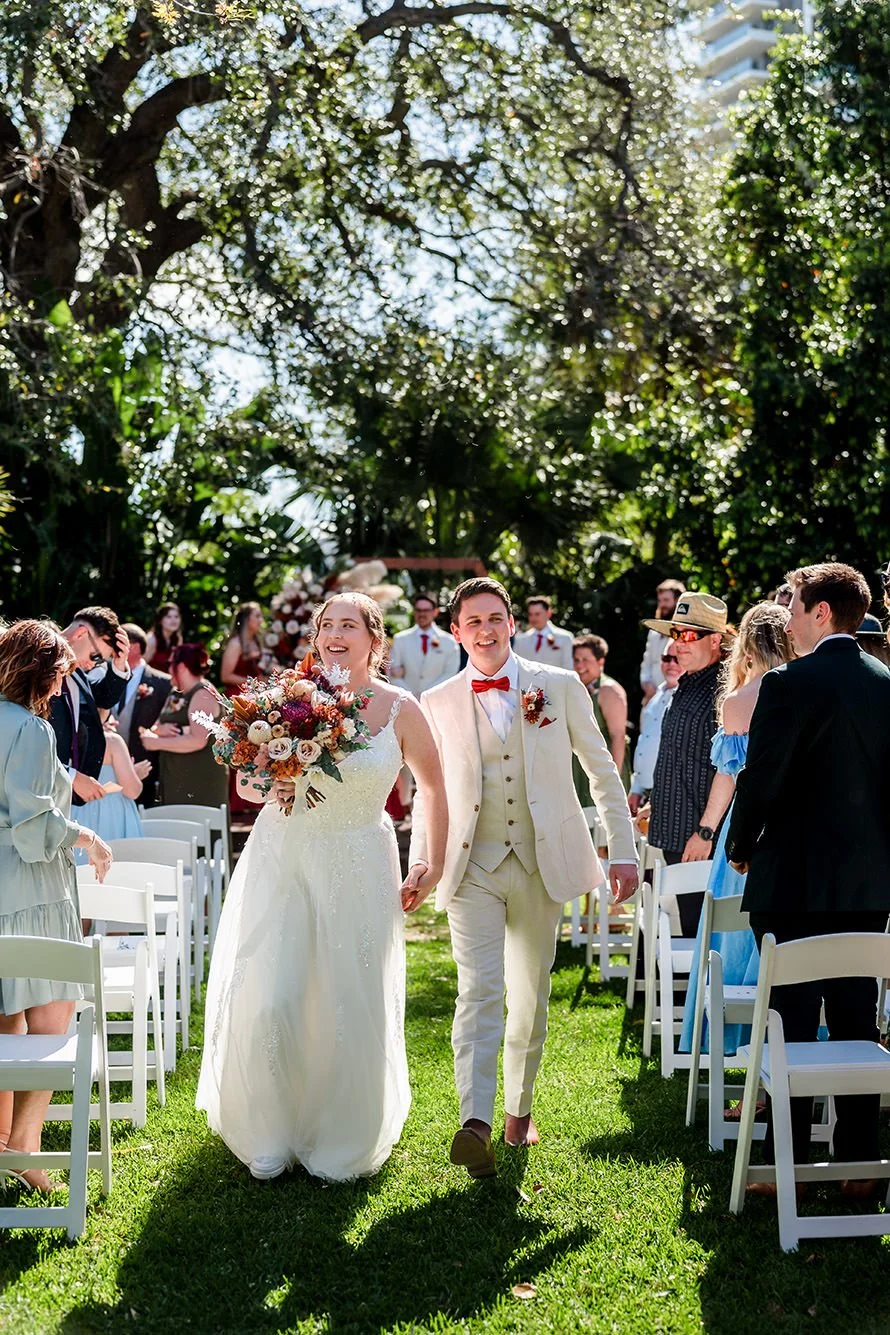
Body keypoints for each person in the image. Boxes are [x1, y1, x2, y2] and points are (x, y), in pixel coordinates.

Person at [197, 592, 448, 1182]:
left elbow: (435, 790)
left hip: (361, 857)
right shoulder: (288, 698)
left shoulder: (400, 707)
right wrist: (275, 787)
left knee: (347, 995)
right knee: (275, 991)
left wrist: (429, 862)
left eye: (348, 625)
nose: (334, 634)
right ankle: (270, 1129)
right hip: (283, 854)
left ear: (373, 638)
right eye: (326, 624)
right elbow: (251, 785)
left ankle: (342, 1135)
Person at [408, 577, 638, 1178]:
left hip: (541, 864)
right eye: (473, 621)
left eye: (495, 618)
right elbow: (426, 795)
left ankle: (518, 1108)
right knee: (478, 991)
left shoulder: (558, 687)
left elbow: (601, 769)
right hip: (471, 866)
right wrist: (420, 864)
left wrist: (622, 848)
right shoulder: (435, 703)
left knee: (531, 998)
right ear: (456, 632)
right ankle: (475, 1121)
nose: (485, 629)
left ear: (512, 624)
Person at [727, 563, 890, 1198]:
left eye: (794, 605)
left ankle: (784, 1165)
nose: (788, 617)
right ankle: (854, 1166)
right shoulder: (886, 684)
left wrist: (741, 846)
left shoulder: (789, 683)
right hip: (867, 884)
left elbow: (762, 777)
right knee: (855, 1017)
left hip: (792, 879)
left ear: (822, 613)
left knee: (788, 1021)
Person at [0, 620, 112, 1192]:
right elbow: (34, 825)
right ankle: (26, 1148)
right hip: (33, 891)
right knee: (52, 1020)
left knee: (5, 1021)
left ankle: (5, 1145)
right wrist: (87, 838)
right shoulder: (31, 729)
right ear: (42, 672)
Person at [678, 602, 793, 1059]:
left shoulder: (738, 702)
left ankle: (743, 1055)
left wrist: (707, 829)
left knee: (735, 939)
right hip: (794, 827)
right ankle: (785, 1058)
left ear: (745, 647)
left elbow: (727, 778)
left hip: (746, 833)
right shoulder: (806, 690)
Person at [643, 592, 728, 937]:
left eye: (690, 635)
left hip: (701, 840)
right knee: (682, 939)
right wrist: (655, 803)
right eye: (675, 634)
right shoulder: (688, 683)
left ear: (716, 640)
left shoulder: (723, 688)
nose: (679, 644)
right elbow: (682, 757)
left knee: (702, 940)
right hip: (674, 835)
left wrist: (706, 832)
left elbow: (730, 768)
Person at [48, 606, 131, 807]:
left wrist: (119, 666)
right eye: (96, 656)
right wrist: (71, 776)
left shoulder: (76, 671)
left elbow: (103, 699)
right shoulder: (37, 662)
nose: (94, 665)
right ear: (81, 633)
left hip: (58, 793)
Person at [139, 644, 227, 808]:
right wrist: (158, 730)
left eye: (170, 664)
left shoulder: (203, 694)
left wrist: (155, 742)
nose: (168, 670)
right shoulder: (176, 692)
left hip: (199, 780)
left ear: (180, 666)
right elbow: (155, 726)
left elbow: (198, 740)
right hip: (175, 778)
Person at [72, 710, 149, 859]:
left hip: (77, 812)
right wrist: (134, 774)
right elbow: (132, 790)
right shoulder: (112, 742)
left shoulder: (66, 739)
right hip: (114, 815)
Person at [114, 624, 172, 808]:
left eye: (119, 642)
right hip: (109, 767)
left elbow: (169, 719)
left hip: (147, 768)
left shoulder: (163, 683)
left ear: (135, 647)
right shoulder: (103, 676)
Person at [572, 634, 631, 792]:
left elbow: (618, 737)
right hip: (581, 770)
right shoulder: (577, 688)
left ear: (601, 661)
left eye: (585, 660)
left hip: (604, 770)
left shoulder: (609, 690)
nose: (579, 666)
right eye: (576, 660)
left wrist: (613, 783)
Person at [628, 647, 683, 816]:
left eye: (677, 658)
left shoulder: (685, 699)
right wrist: (636, 787)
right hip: (646, 793)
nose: (671, 664)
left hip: (670, 797)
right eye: (666, 658)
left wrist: (658, 798)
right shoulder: (657, 695)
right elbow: (645, 741)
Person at [388, 593, 460, 696]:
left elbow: (450, 674)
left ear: (435, 612)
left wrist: (427, 695)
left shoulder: (450, 642)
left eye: (426, 610)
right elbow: (393, 675)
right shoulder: (400, 639)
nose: (422, 614)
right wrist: (410, 696)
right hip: (407, 701)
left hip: (438, 700)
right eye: (418, 610)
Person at [640, 580, 685, 705]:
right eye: (660, 601)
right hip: (652, 696)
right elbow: (647, 662)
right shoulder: (654, 633)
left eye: (666, 600)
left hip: (677, 696)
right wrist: (647, 685)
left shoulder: (686, 634)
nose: (662, 605)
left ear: (677, 601)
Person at [513, 597, 574, 669]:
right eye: (530, 614)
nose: (533, 618)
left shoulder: (565, 638)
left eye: (537, 614)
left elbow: (569, 668)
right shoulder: (520, 639)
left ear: (549, 613)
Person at [220, 603, 266, 693]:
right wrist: (254, 683)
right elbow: (225, 677)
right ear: (246, 619)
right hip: (237, 696)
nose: (261, 620)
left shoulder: (256, 641)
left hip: (255, 695)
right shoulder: (235, 644)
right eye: (257, 616)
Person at [145, 603, 183, 674]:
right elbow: (140, 666)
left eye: (176, 617)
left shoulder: (178, 639)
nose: (173, 620)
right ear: (160, 620)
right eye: (169, 617)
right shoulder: (152, 639)